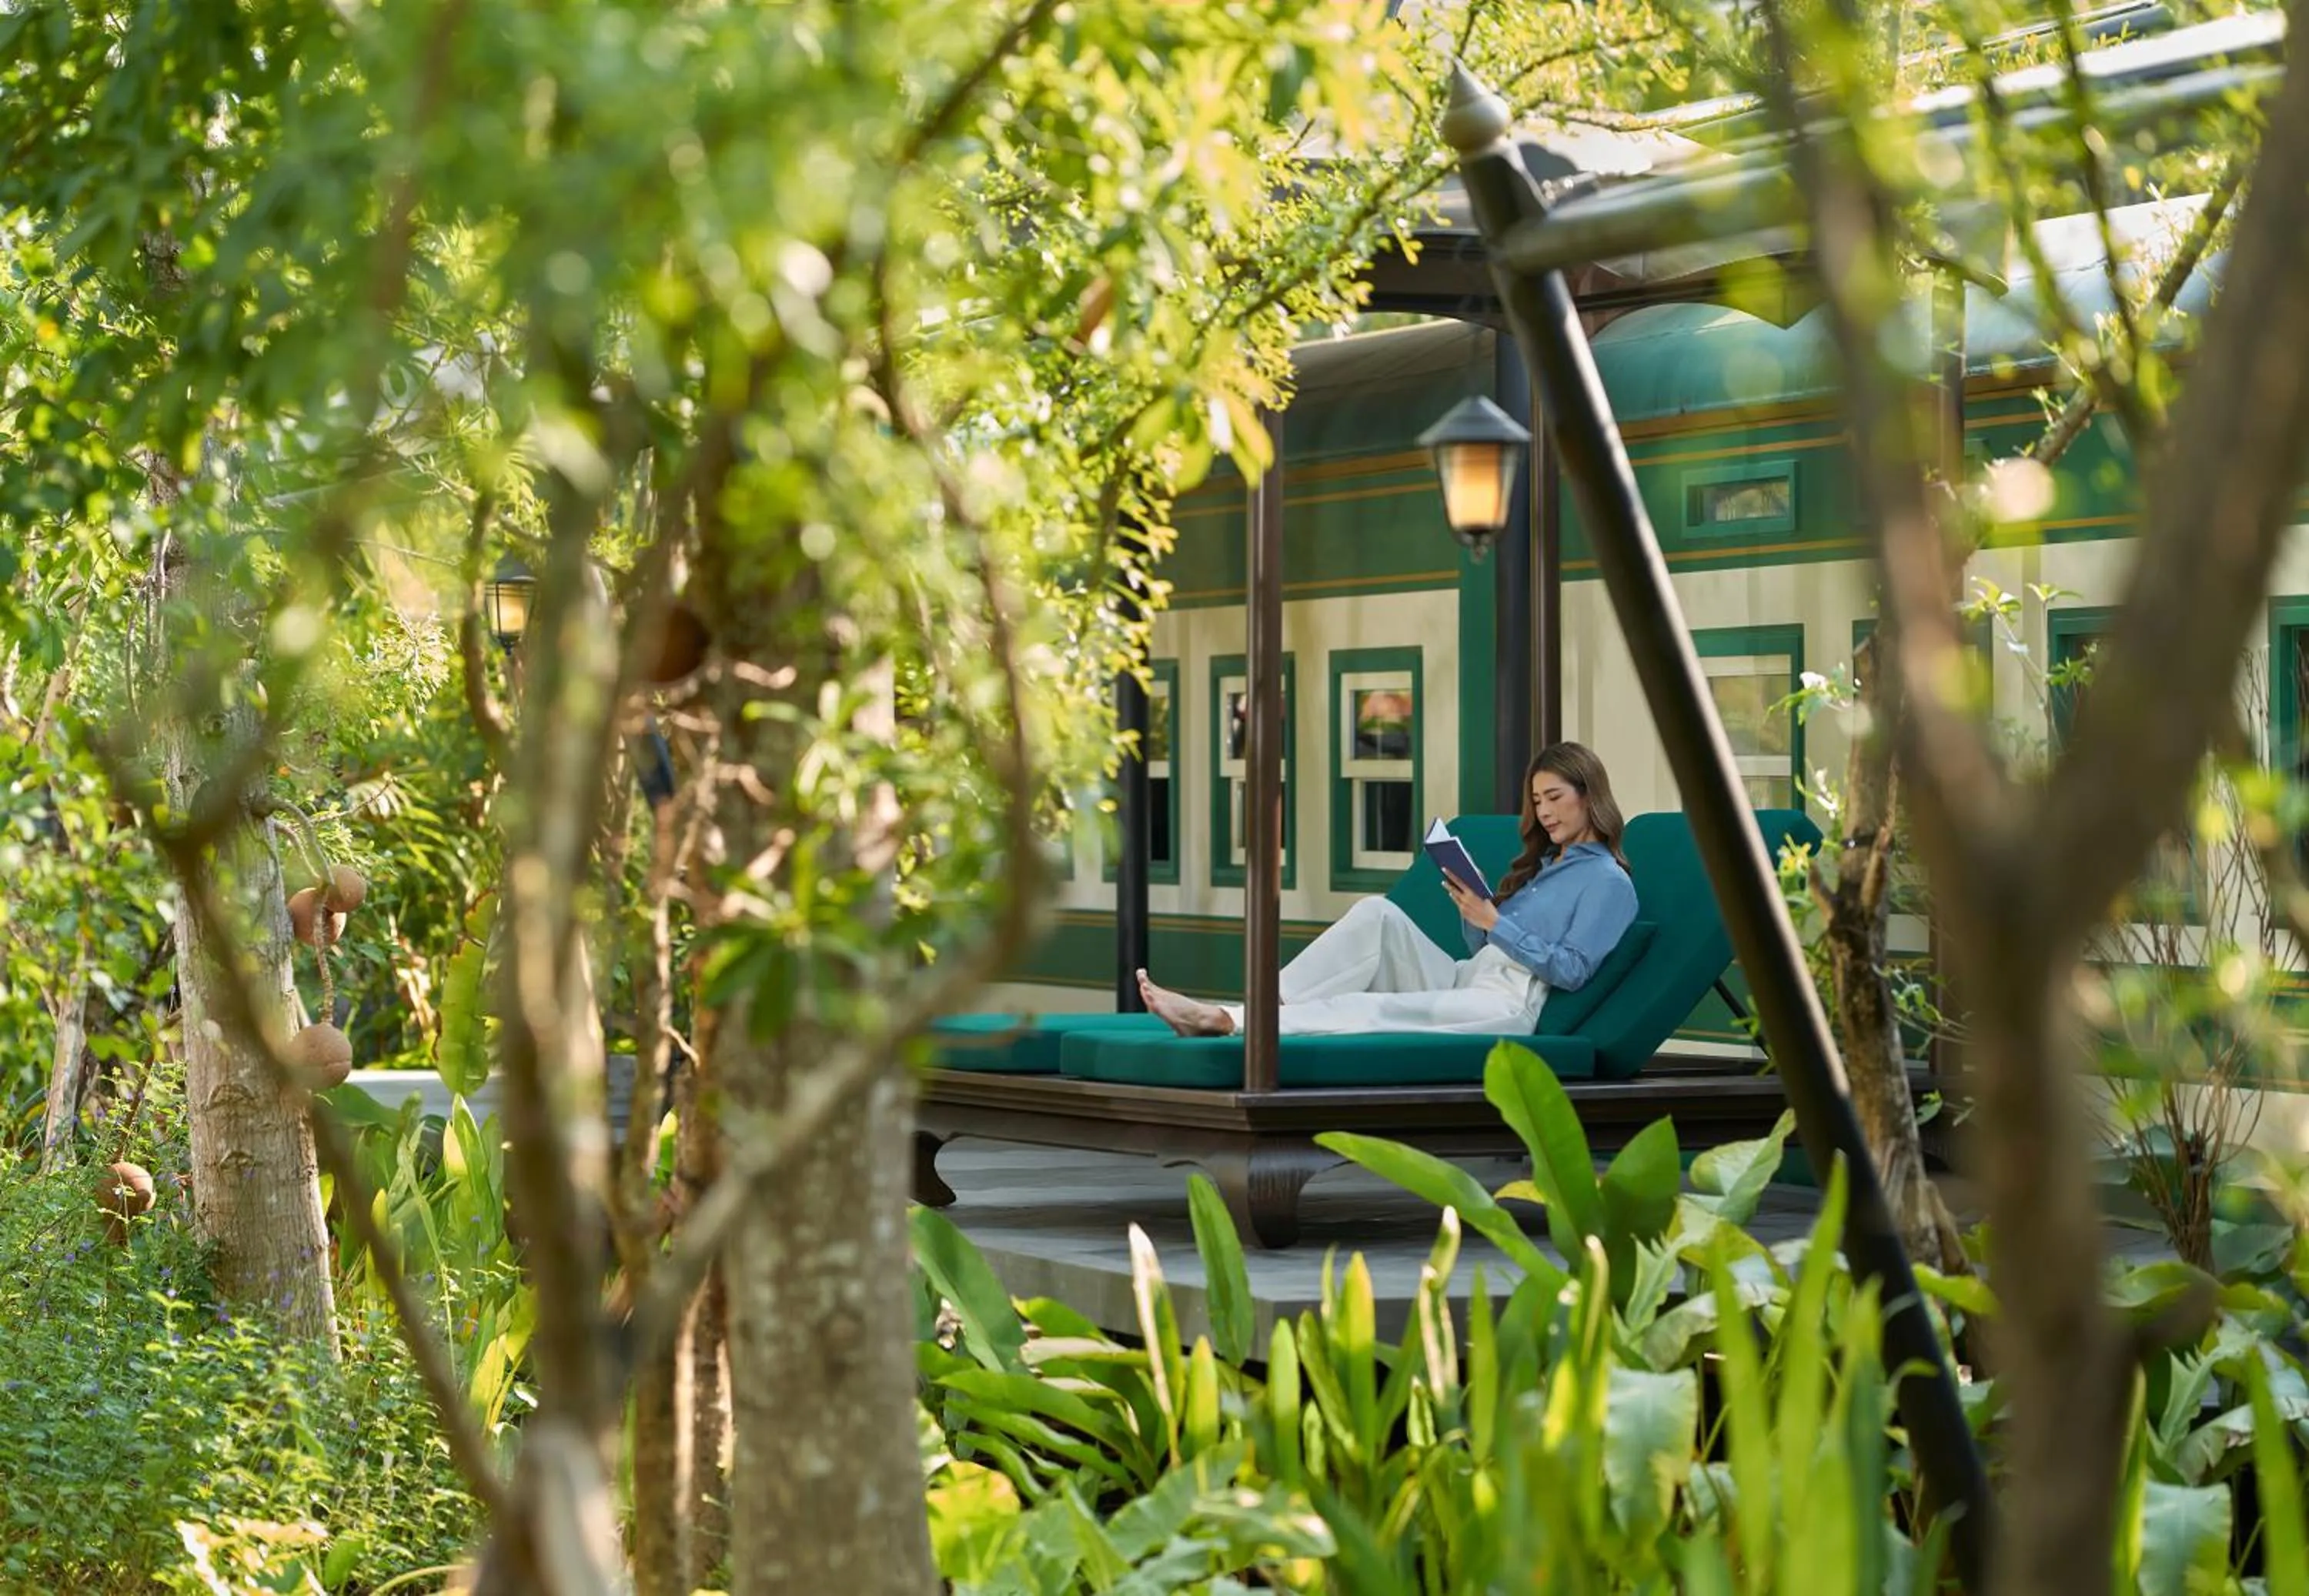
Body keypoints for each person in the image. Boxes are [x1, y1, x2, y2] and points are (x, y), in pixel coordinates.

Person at [1136, 742, 1639, 1038]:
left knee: (1369, 1006)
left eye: (1554, 798)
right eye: (1536, 799)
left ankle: (1226, 1022)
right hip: (1469, 978)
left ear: (1589, 795)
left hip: (1508, 1006)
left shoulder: (1609, 883)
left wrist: (1495, 923)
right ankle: (1264, 1007)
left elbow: (1572, 970)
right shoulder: (1551, 865)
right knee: (1376, 914)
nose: (1544, 812)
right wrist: (1473, 911)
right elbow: (1482, 950)